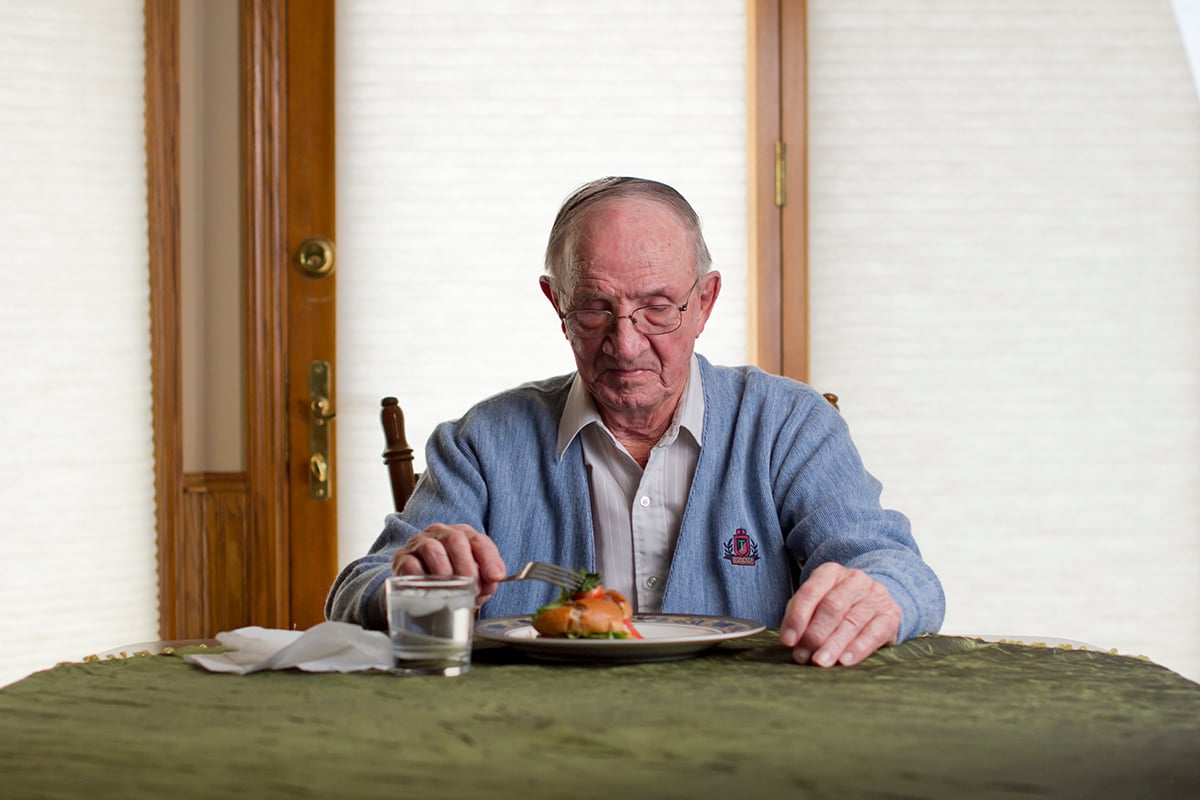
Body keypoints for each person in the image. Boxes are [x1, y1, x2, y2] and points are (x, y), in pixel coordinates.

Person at [326, 176, 945, 667]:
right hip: (518, 741)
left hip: (746, 739)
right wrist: (407, 583)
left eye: (657, 309)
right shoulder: (482, 443)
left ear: (704, 302)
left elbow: (896, 568)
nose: (625, 345)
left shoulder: (787, 425)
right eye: (595, 308)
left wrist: (880, 595)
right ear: (556, 304)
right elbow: (355, 590)